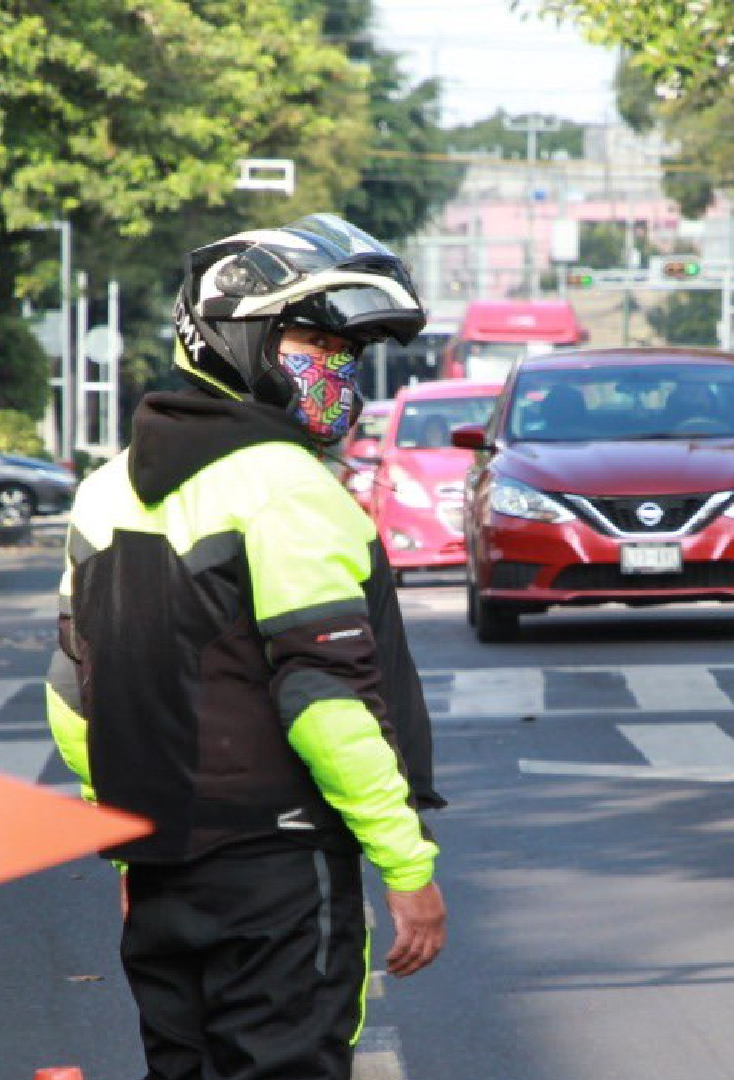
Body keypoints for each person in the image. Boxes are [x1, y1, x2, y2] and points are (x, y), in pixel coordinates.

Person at [44, 214, 447, 1080]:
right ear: (239, 339)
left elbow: (77, 696)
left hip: (163, 869)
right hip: (280, 869)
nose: (333, 363)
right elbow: (325, 700)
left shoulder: (105, 489)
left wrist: (124, 840)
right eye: (310, 336)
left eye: (344, 346)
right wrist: (405, 862)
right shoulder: (290, 488)